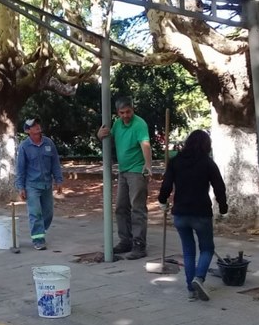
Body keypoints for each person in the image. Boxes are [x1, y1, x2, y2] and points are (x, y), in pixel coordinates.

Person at [158, 130, 227, 302]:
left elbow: (166, 185)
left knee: (188, 252)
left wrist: (162, 201)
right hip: (201, 213)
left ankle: (191, 290)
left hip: (180, 213)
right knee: (207, 249)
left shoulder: (175, 162)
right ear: (206, 145)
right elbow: (219, 186)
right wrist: (223, 206)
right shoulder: (208, 163)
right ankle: (199, 278)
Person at [96, 97, 152, 260]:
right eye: (122, 113)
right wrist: (99, 135)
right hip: (123, 171)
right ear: (117, 113)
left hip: (136, 171)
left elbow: (145, 144)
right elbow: (108, 136)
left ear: (133, 110)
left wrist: (148, 165)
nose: (126, 115)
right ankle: (125, 241)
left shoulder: (139, 124)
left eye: (129, 112)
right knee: (121, 207)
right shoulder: (117, 124)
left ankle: (139, 245)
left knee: (137, 208)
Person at [15, 118, 64, 250]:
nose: (37, 127)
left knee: (48, 213)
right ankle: (38, 239)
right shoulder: (24, 146)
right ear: (28, 131)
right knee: (35, 212)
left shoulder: (49, 143)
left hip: (46, 184)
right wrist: (21, 187)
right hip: (31, 185)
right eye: (33, 126)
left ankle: (40, 229)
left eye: (38, 124)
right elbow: (20, 168)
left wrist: (59, 180)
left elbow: (55, 163)